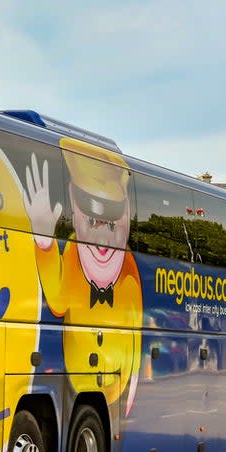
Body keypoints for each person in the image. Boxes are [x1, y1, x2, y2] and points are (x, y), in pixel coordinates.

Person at [24, 138, 143, 414]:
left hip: (115, 382)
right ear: (76, 213)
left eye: (111, 219)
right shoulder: (74, 257)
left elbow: (137, 334)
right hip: (79, 380)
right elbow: (56, 298)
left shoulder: (129, 272)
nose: (101, 236)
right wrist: (43, 239)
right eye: (91, 218)